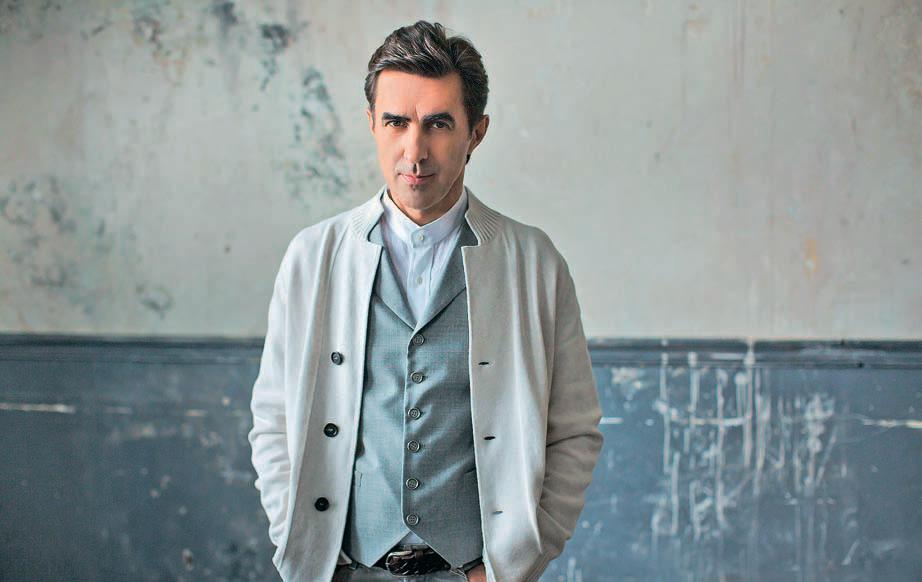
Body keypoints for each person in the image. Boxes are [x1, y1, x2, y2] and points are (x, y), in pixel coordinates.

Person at [247, 20, 604, 582]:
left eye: (438, 124)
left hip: (473, 573)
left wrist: (519, 561)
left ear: (476, 132)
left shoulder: (533, 262)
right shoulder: (313, 257)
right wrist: (303, 546)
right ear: (371, 123)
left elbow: (574, 431)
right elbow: (273, 421)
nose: (414, 151)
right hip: (346, 570)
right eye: (396, 122)